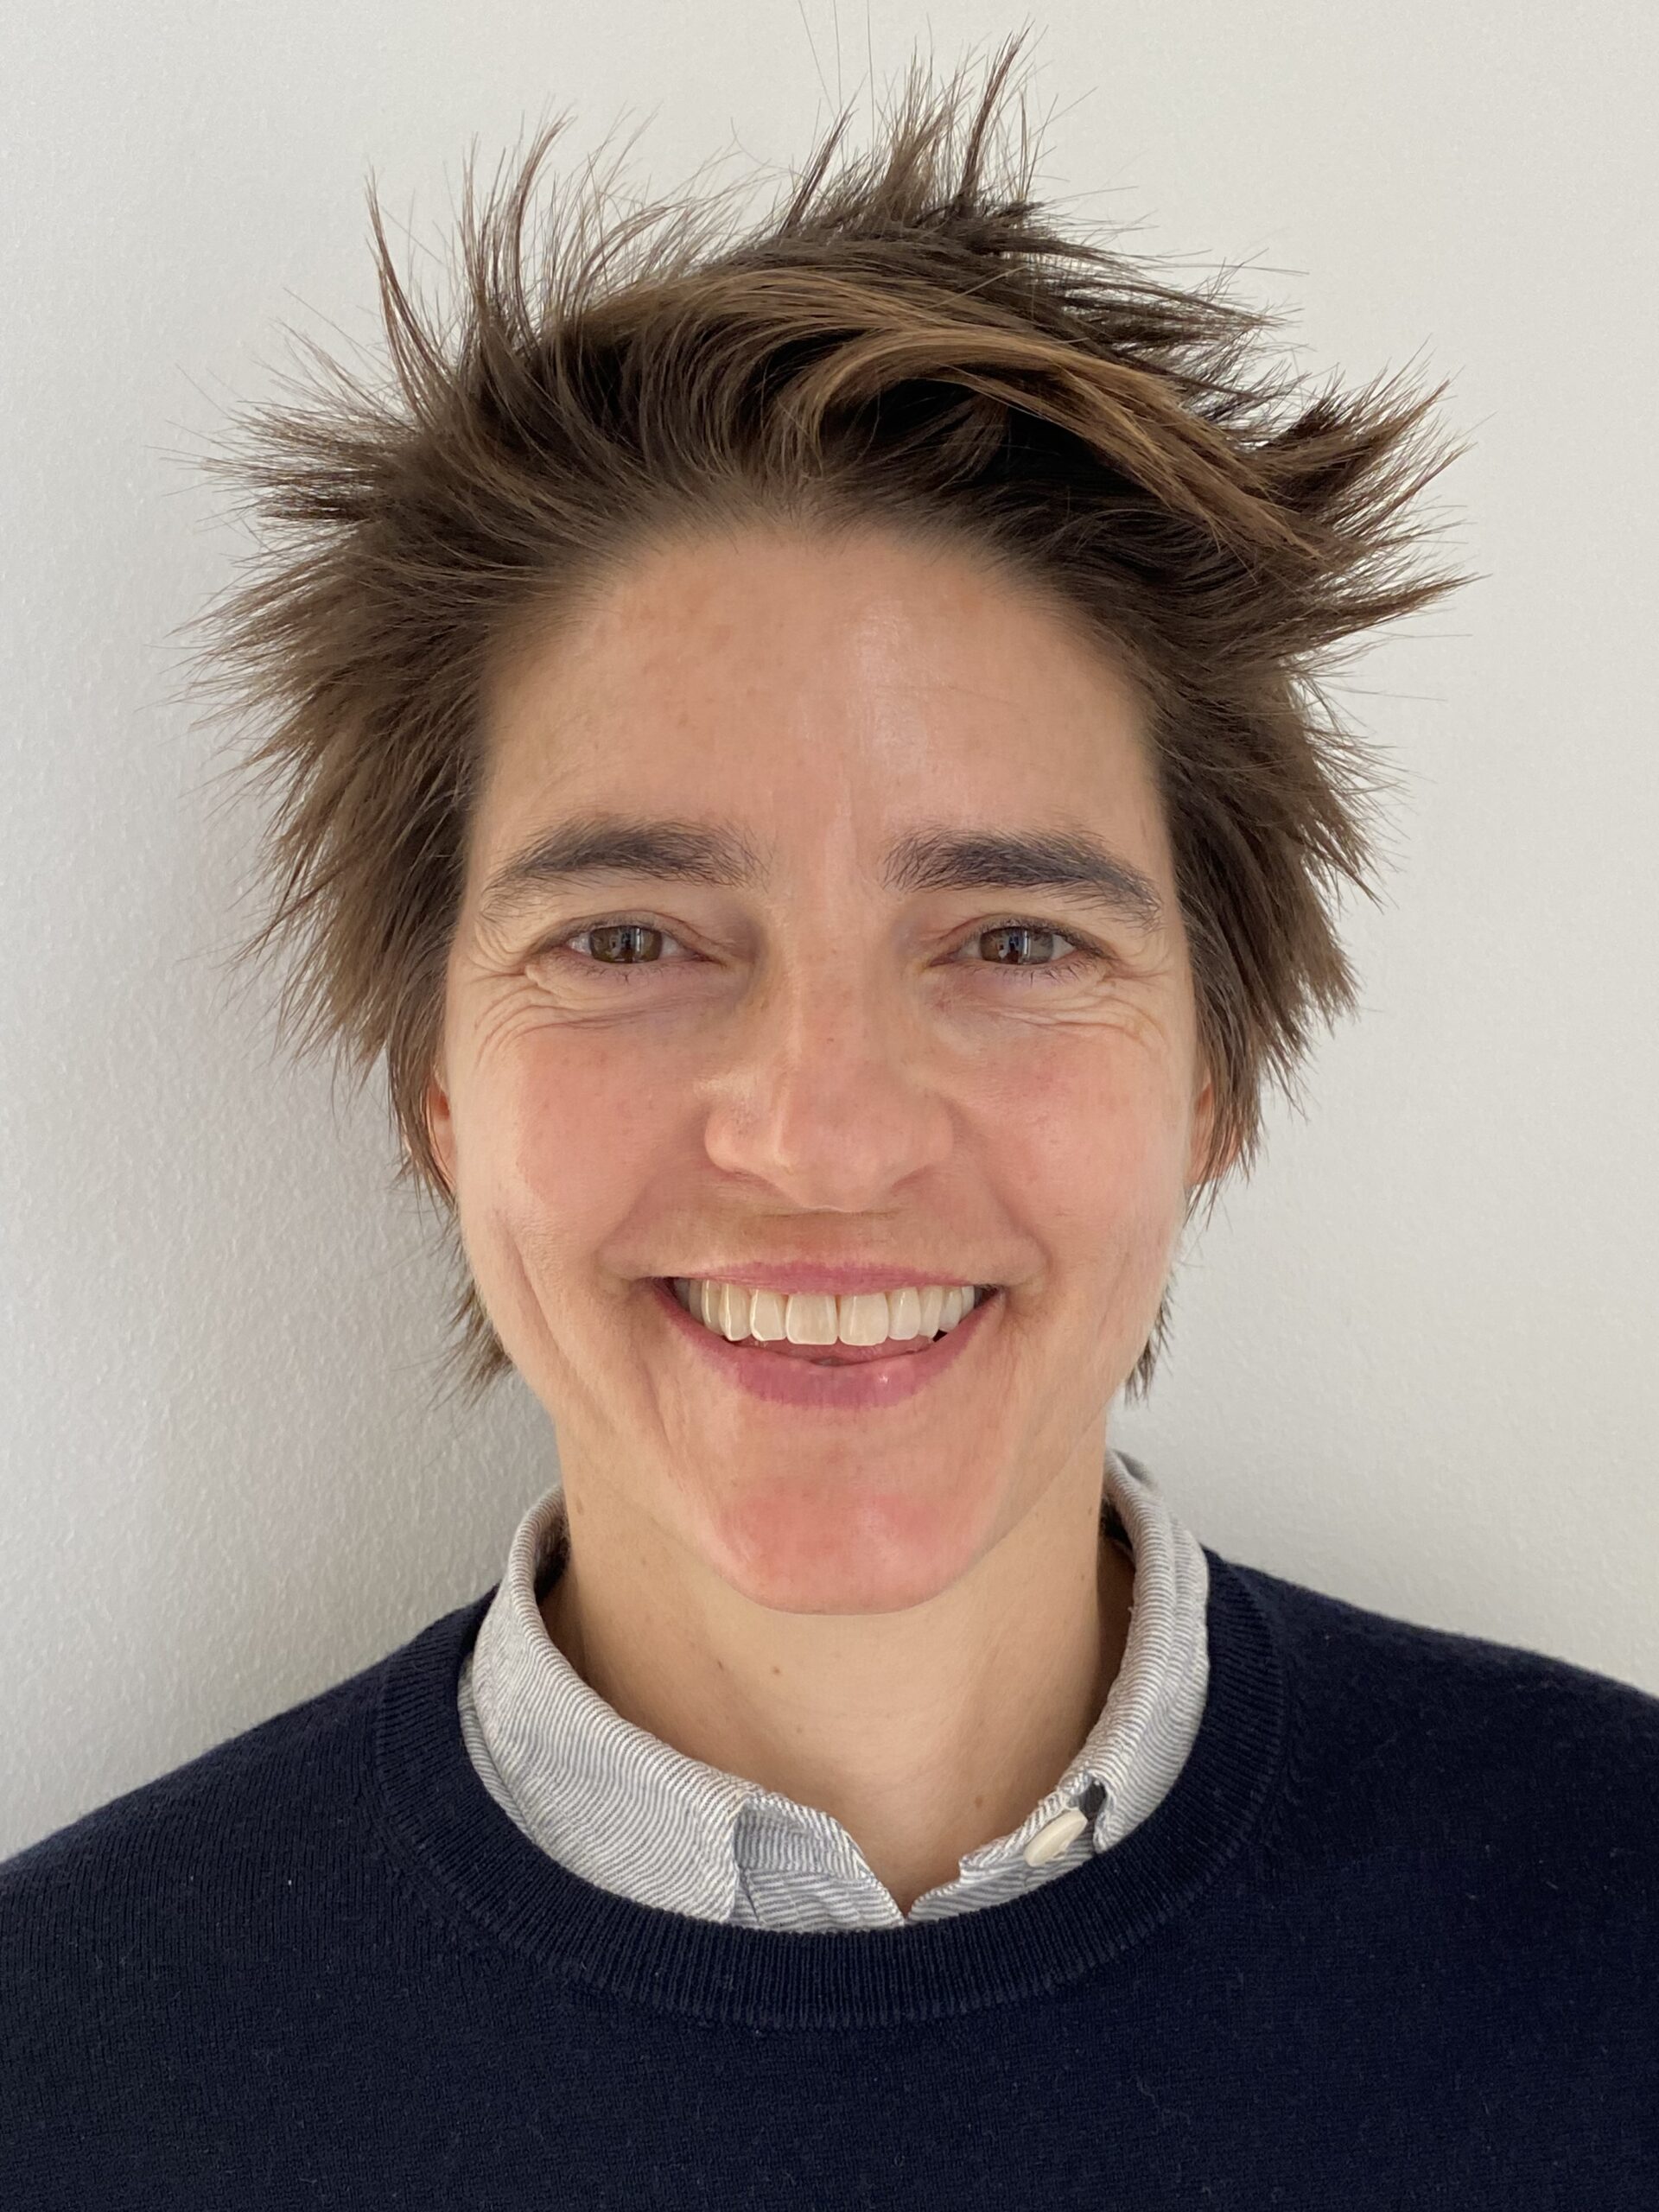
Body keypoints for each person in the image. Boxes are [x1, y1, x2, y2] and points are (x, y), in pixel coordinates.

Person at [3, 37, 1655, 2202]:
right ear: (435, 1086)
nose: (824, 1136)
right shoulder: (61, 2071)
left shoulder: (1615, 1940)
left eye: (1013, 940)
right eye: (627, 938)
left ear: (1215, 1079)